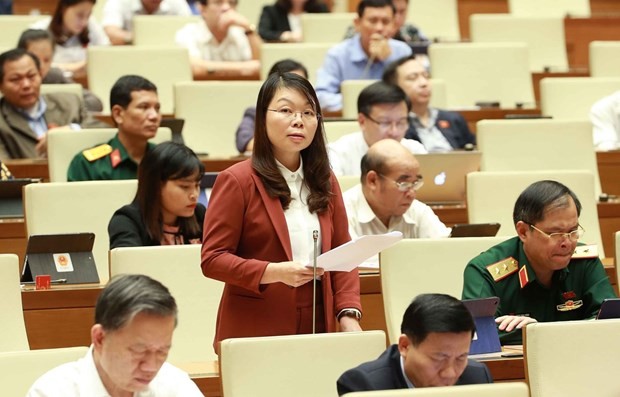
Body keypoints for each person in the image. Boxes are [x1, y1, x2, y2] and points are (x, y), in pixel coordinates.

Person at [201, 72, 362, 351]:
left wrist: (348, 313)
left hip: (317, 318)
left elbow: (342, 251)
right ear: (263, 117)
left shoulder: (325, 179)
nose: (298, 120)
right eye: (286, 110)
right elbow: (213, 259)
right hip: (256, 326)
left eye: (308, 112)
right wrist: (272, 272)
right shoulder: (237, 180)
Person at [462, 180, 617, 345]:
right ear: (523, 232)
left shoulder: (585, 262)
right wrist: (536, 333)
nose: (567, 242)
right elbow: (478, 335)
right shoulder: (484, 271)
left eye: (573, 231)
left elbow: (611, 321)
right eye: (555, 233)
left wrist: (537, 331)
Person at [26, 274, 203, 396]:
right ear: (100, 338)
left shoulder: (175, 386)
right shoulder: (52, 392)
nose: (151, 367)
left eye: (162, 352)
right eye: (139, 350)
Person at [337, 293, 492, 394]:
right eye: (439, 358)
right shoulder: (365, 386)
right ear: (405, 346)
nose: (450, 373)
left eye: (461, 358)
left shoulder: (477, 377)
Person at [0, 49, 103, 160]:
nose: (26, 85)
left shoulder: (70, 102)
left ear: (41, 75)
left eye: (31, 76)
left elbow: (106, 133)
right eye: (15, 79)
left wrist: (73, 130)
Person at [315, 0, 412, 112]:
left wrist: (388, 60)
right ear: (357, 23)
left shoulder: (403, 52)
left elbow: (411, 94)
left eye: (385, 22)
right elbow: (320, 97)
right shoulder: (338, 54)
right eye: (372, 21)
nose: (379, 28)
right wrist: (364, 103)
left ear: (394, 26)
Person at [344, 139, 450, 241]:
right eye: (404, 184)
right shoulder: (343, 213)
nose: (412, 194)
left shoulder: (417, 211)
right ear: (373, 181)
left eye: (415, 183)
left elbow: (446, 247)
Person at [109, 141, 205, 248]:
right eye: (185, 186)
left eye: (197, 185)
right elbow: (128, 262)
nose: (194, 195)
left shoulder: (200, 215)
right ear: (156, 185)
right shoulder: (126, 221)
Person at [66, 75, 161, 181]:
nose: (154, 116)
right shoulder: (88, 165)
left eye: (157, 108)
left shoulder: (166, 161)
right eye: (143, 107)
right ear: (118, 114)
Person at [328, 81, 426, 176]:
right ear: (362, 121)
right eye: (385, 123)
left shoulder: (415, 151)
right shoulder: (338, 154)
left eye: (401, 122)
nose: (394, 132)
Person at [383, 56, 475, 152]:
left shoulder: (453, 119)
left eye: (426, 76)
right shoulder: (393, 126)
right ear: (394, 87)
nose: (424, 83)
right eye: (413, 78)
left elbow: (472, 154)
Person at [17, 29, 104, 112]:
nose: (41, 66)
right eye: (35, 59)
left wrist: (62, 108)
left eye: (47, 60)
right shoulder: (12, 78)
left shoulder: (54, 76)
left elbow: (95, 102)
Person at [235, 58, 308, 153]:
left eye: (301, 83)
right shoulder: (255, 112)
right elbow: (244, 142)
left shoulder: (312, 114)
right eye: (285, 111)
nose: (296, 89)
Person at [175, 0, 262, 79]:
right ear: (202, 9)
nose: (226, 8)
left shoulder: (242, 33)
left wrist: (248, 27)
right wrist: (246, 69)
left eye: (232, 3)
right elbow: (195, 69)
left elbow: (263, 67)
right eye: (218, 2)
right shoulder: (187, 33)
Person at [30, 0, 110, 79]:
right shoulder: (39, 31)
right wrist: (74, 67)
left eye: (88, 15)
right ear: (64, 9)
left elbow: (106, 54)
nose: (84, 22)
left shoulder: (91, 25)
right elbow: (32, 66)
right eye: (80, 15)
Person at [102, 0, 192, 45]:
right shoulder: (119, 2)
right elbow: (111, 31)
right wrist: (141, 39)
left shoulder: (177, 2)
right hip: (128, 56)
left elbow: (190, 31)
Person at [343, 0, 428, 46]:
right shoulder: (357, 31)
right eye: (394, 12)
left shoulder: (412, 31)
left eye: (401, 12)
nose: (397, 18)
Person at [258, 0, 328, 43]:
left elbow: (328, 31)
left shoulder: (320, 9)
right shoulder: (272, 11)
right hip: (284, 52)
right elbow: (263, 32)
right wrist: (285, 36)